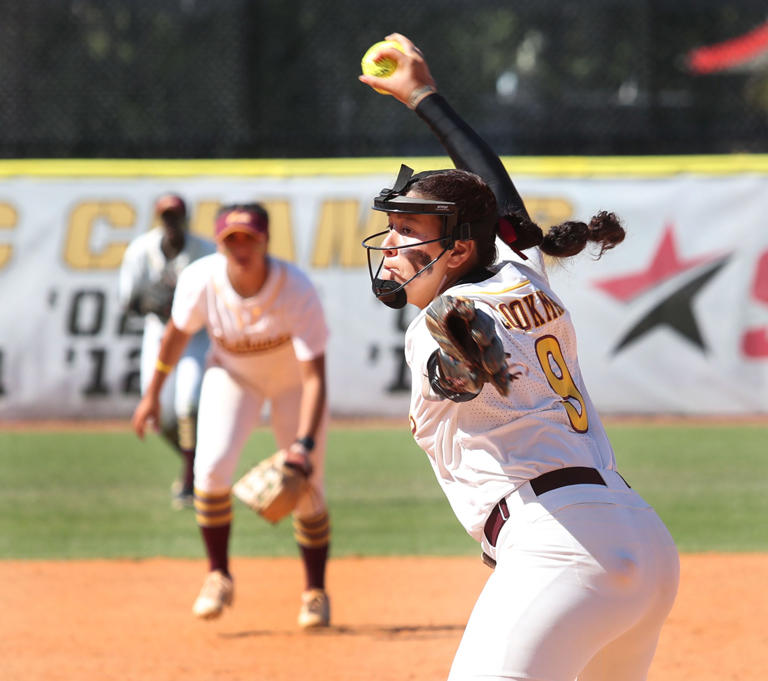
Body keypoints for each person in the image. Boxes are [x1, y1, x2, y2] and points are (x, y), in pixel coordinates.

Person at [359, 33, 679, 681]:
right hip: (639, 538)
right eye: (393, 226)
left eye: (408, 230)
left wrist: (465, 359)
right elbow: (494, 188)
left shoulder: (440, 320)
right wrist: (424, 95)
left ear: (455, 252)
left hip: (559, 547)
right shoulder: (519, 270)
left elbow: (462, 364)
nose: (391, 242)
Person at [130, 203, 332, 629]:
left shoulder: (295, 287)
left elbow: (315, 377)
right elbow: (174, 337)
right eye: (231, 240)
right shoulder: (202, 279)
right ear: (220, 245)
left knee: (306, 483)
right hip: (233, 376)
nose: (241, 248)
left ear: (265, 242)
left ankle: (314, 592)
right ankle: (217, 575)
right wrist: (152, 396)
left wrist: (304, 446)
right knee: (210, 472)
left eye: (249, 239)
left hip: (293, 383)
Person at [119, 193, 215, 509]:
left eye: (176, 216)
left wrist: (181, 300)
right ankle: (201, 460)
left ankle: (190, 480)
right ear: (159, 220)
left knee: (188, 403)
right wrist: (153, 300)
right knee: (158, 412)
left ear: (185, 218)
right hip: (159, 331)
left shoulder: (205, 251)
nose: (171, 223)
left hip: (195, 333)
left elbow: (217, 297)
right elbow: (128, 302)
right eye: (166, 216)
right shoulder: (141, 251)